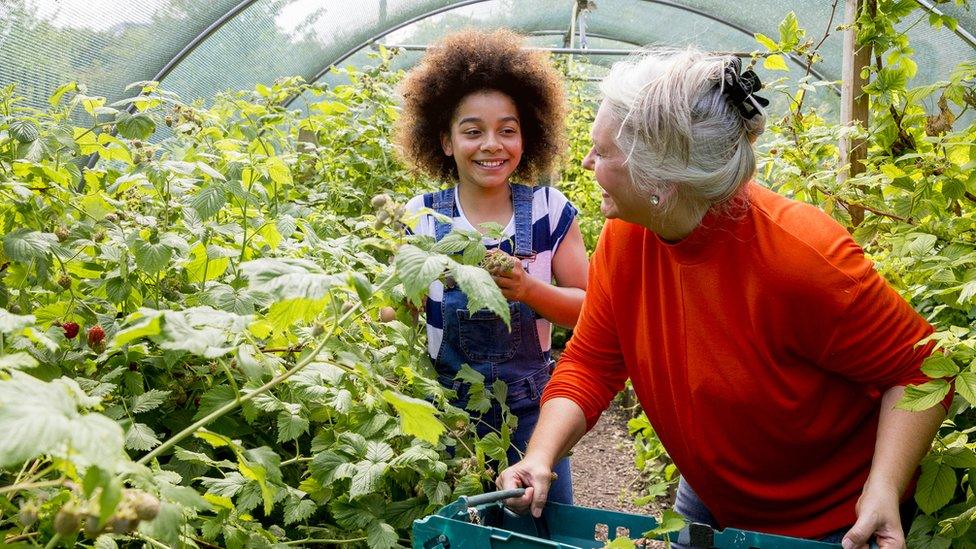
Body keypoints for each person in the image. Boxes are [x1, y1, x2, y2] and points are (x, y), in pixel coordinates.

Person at [496, 47, 947, 549]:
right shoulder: (627, 238)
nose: (586, 161)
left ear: (659, 181)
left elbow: (923, 369)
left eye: (601, 153)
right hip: (710, 495)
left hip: (830, 522)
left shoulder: (803, 259)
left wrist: (882, 489)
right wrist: (540, 456)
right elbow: (592, 360)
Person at [394, 29, 589, 504]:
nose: (491, 145)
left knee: (542, 521)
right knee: (464, 527)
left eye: (507, 129)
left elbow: (590, 310)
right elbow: (397, 316)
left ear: (527, 136)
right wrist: (396, 305)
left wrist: (527, 290)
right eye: (472, 131)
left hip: (531, 414)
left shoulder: (549, 210)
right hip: (449, 415)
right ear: (444, 141)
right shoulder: (423, 217)